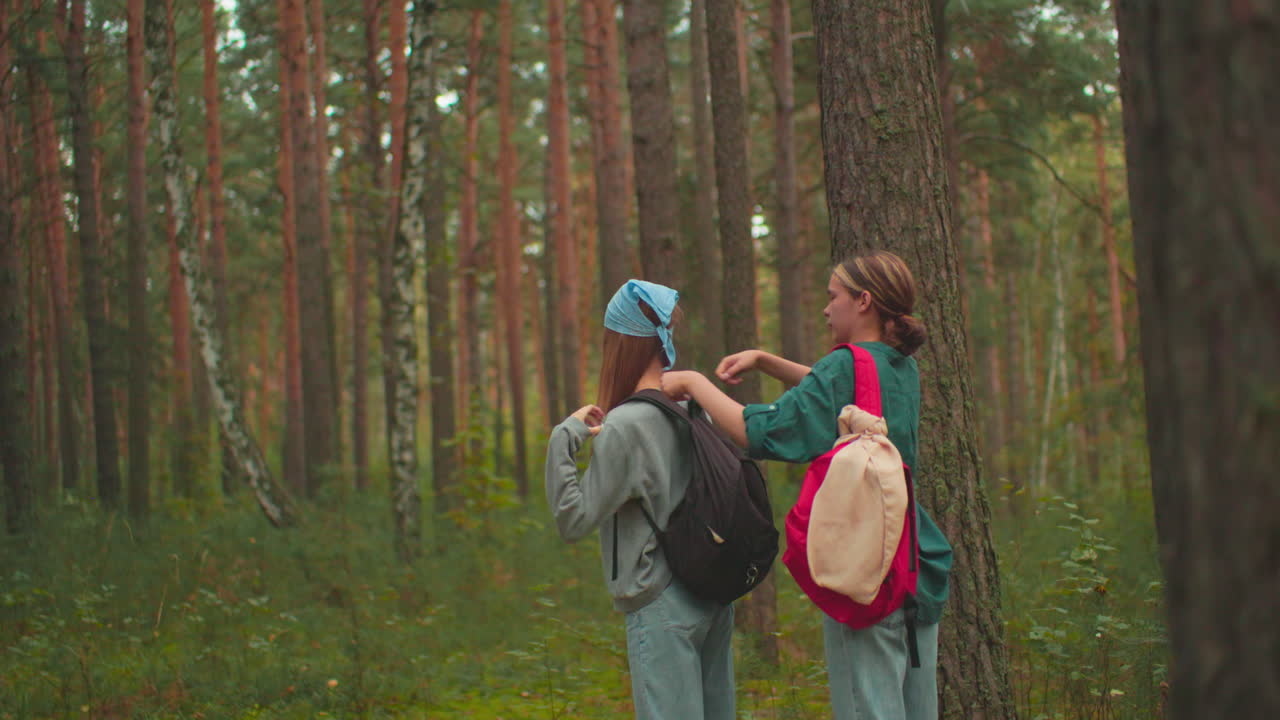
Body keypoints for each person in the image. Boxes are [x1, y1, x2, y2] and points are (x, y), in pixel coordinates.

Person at [661, 250, 953, 720]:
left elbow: (758, 432)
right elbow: (835, 388)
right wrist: (765, 361)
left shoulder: (845, 368)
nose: (825, 307)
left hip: (868, 567)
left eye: (832, 296)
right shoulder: (901, 367)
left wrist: (694, 383)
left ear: (863, 301)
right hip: (918, 564)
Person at [544, 279, 735, 720]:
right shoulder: (693, 409)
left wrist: (564, 437)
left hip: (660, 600)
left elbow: (573, 520)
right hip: (711, 590)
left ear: (620, 345)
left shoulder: (625, 425)